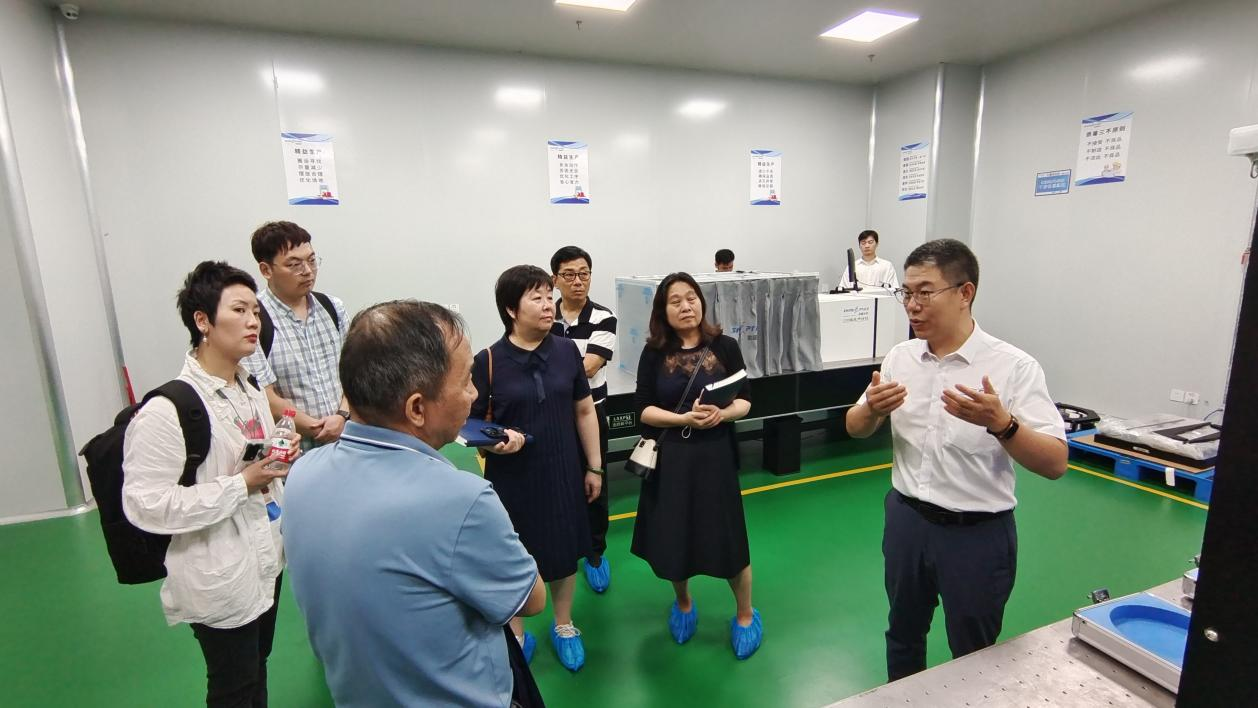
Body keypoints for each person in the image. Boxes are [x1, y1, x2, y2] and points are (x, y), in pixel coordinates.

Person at [283, 300, 548, 707]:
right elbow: (531, 599)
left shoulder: (302, 475)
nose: (474, 394)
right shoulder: (460, 500)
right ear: (417, 408)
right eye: (466, 381)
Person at [844, 239, 1067, 681]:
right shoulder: (900, 357)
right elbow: (855, 426)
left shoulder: (1013, 367)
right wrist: (870, 410)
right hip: (907, 522)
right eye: (907, 293)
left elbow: (1055, 462)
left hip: (976, 535)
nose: (912, 305)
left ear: (965, 293)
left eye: (925, 293)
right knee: (903, 634)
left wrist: (1002, 424)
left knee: (974, 653)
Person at [123, 261, 299, 707]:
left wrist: (279, 459)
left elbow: (255, 461)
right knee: (232, 686)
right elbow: (145, 504)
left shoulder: (250, 388)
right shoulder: (168, 409)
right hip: (218, 573)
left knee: (257, 666)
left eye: (256, 311)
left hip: (265, 558)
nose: (253, 321)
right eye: (239, 310)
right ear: (202, 321)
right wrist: (241, 484)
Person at [471, 265, 604, 672]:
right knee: (514, 555)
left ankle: (563, 623)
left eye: (550, 296)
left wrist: (595, 467)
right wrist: (495, 441)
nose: (549, 305)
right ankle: (516, 631)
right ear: (511, 309)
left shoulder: (566, 352)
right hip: (513, 478)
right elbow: (469, 425)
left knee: (565, 550)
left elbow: (584, 410)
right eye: (538, 298)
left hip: (563, 470)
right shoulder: (488, 361)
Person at [631, 272, 763, 660]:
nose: (686, 306)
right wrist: (683, 419)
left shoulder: (725, 346)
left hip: (715, 457)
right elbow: (643, 410)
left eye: (691, 298)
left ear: (701, 303)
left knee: (729, 539)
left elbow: (745, 399)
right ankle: (684, 603)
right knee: (676, 537)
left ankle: (745, 614)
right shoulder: (653, 353)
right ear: (663, 310)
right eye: (676, 301)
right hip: (672, 460)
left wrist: (722, 414)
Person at [242, 221, 349, 447]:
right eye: (294, 264)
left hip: (345, 439)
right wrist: (317, 427)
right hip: (294, 451)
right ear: (266, 270)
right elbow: (265, 397)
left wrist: (342, 416)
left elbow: (354, 372)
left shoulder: (333, 308)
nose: (307, 271)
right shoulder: (254, 320)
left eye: (312, 260)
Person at [550, 246, 618, 594]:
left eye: (584, 274)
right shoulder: (546, 315)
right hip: (552, 415)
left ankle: (594, 553)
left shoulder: (603, 317)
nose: (578, 281)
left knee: (594, 481)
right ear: (555, 280)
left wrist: (548, 367)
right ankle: (562, 547)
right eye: (569, 275)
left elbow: (590, 366)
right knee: (557, 483)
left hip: (591, 413)